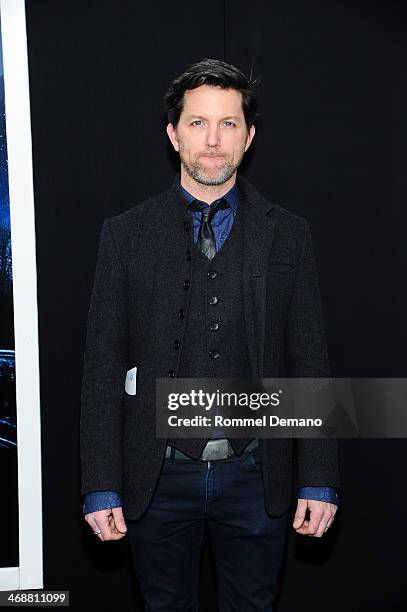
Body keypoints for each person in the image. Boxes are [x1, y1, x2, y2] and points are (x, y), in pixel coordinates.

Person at [80, 58, 340, 611]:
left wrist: (319, 477)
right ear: (173, 135)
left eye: (228, 123)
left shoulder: (288, 235)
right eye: (198, 123)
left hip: (257, 476)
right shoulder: (125, 235)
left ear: (249, 136)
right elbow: (102, 367)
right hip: (155, 475)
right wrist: (100, 482)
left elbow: (309, 361)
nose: (214, 139)